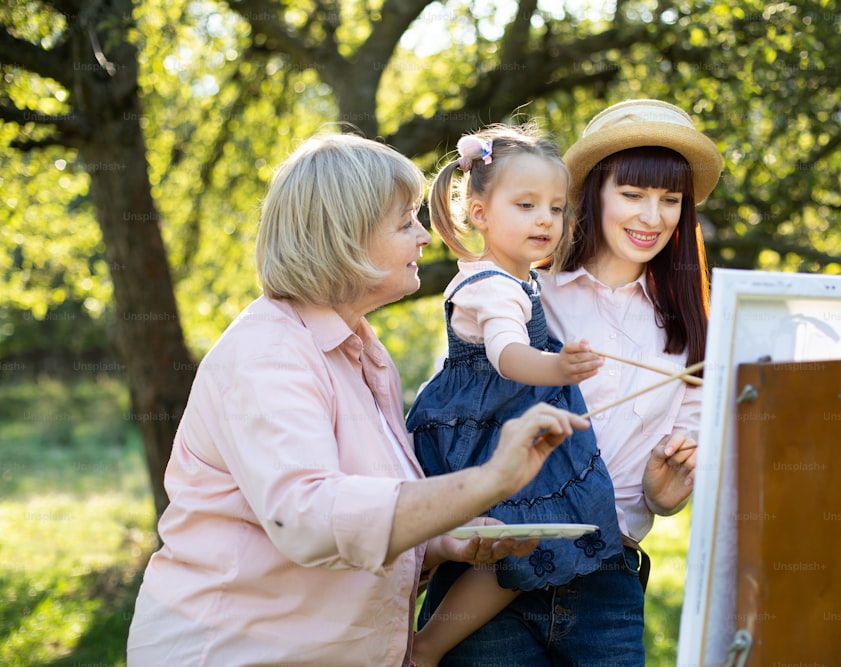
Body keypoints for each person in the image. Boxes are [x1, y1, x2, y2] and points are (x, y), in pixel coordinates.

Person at [125, 133, 591, 667]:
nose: (424, 237)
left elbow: (365, 520)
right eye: (404, 222)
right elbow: (310, 519)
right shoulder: (268, 354)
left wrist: (442, 543)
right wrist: (488, 481)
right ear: (342, 236)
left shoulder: (363, 355)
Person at [419, 100, 721, 664]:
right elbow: (465, 417)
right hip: (489, 564)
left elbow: (663, 488)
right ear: (596, 193)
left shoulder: (694, 330)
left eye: (670, 200)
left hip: (606, 577)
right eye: (633, 195)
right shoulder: (523, 290)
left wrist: (665, 491)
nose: (652, 217)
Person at [406, 125, 623, 666]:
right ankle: (427, 647)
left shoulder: (510, 278)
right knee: (512, 541)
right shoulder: (496, 287)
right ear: (479, 213)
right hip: (492, 432)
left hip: (496, 421)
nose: (545, 220)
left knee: (508, 544)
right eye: (525, 205)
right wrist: (556, 366)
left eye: (556, 207)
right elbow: (505, 353)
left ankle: (419, 640)